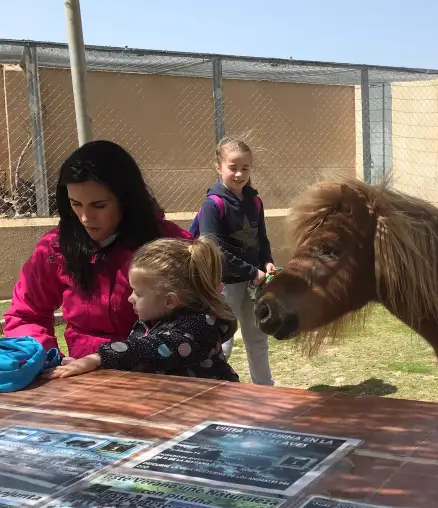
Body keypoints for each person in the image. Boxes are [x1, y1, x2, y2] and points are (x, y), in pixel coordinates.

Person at [3, 140, 191, 359]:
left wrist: (122, 360)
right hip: (83, 377)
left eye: (99, 206)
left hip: (157, 373)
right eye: (76, 204)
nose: (85, 218)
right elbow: (26, 314)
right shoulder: (55, 247)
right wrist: (49, 360)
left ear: (126, 200)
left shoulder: (170, 243)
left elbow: (204, 319)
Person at [43, 237, 240, 382]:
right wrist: (89, 365)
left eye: (138, 293)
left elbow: (153, 349)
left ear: (170, 300)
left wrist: (99, 357)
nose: (130, 298)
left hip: (208, 412)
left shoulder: (199, 326)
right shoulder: (150, 322)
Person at [196, 136, 276, 386]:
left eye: (245, 168)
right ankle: (217, 390)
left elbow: (261, 237)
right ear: (218, 166)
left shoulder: (255, 200)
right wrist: (251, 271)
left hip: (254, 283)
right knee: (223, 341)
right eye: (233, 167)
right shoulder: (213, 205)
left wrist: (267, 263)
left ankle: (265, 391)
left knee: (257, 337)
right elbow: (213, 248)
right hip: (226, 284)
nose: (239, 174)